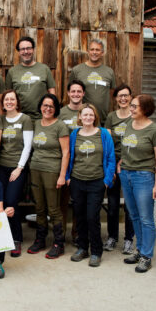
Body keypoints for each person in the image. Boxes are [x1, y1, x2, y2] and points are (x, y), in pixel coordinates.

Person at [120, 94, 156, 273]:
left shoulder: (154, 130)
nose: (130, 109)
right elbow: (127, 147)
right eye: (131, 106)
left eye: (134, 107)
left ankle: (147, 255)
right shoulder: (128, 125)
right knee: (134, 215)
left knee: (146, 218)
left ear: (145, 109)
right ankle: (140, 251)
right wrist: (121, 162)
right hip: (126, 174)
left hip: (144, 176)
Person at [66, 104, 115, 267]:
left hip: (97, 181)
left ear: (95, 117)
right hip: (77, 181)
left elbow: (110, 158)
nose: (88, 118)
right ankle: (82, 248)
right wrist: (68, 177)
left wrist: (107, 181)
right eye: (85, 115)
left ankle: (96, 251)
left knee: (92, 217)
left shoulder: (103, 134)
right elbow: (68, 156)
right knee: (79, 217)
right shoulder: (74, 134)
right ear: (79, 116)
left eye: (91, 115)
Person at [27, 94, 69, 258]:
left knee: (54, 208)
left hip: (52, 170)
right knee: (39, 207)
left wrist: (62, 175)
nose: (47, 109)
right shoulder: (36, 124)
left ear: (56, 108)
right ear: (40, 107)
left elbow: (66, 152)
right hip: (35, 169)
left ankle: (59, 242)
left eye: (51, 106)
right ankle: (40, 239)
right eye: (45, 105)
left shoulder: (60, 126)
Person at [0, 89, 33, 257]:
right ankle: (3, 237)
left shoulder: (25, 119)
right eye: (6, 99)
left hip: (17, 167)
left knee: (11, 202)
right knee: (0, 203)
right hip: (0, 167)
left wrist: (19, 167)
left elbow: (27, 146)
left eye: (12, 99)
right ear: (3, 103)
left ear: (17, 102)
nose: (9, 102)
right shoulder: (0, 120)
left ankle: (16, 238)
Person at [104, 84, 135, 254]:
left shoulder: (135, 117)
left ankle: (129, 239)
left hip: (130, 164)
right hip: (114, 164)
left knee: (130, 204)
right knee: (113, 203)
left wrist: (123, 160)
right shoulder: (111, 117)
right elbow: (108, 143)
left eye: (126, 95)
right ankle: (112, 237)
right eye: (120, 96)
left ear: (131, 97)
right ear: (116, 99)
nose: (123, 99)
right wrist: (111, 166)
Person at [58, 79, 85, 245]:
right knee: (62, 201)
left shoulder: (88, 111)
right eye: (73, 91)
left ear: (83, 94)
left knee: (79, 202)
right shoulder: (61, 113)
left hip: (83, 162)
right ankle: (60, 234)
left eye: (79, 91)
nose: (75, 94)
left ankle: (77, 233)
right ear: (68, 93)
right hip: (64, 161)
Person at [5, 36, 56, 119]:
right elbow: (7, 95)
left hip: (41, 117)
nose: (26, 51)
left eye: (28, 48)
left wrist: (51, 111)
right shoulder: (12, 71)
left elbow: (52, 91)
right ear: (19, 52)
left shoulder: (44, 69)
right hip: (19, 117)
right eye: (22, 49)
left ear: (33, 50)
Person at [69, 39, 116, 122]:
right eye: (92, 49)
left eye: (97, 50)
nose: (94, 52)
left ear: (102, 53)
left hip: (103, 119)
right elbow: (71, 93)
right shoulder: (77, 70)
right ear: (88, 51)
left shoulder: (109, 72)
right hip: (83, 119)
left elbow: (112, 95)